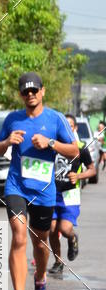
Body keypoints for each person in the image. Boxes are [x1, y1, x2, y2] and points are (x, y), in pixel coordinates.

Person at [0, 73, 77, 290]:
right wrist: (7, 142)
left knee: (40, 242)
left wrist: (50, 143)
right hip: (16, 186)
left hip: (43, 191)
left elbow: (74, 151)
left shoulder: (55, 119)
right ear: (21, 95)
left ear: (42, 91)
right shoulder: (13, 119)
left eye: (34, 90)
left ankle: (40, 278)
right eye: (25, 91)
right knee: (19, 235)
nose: (30, 94)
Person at [48, 114, 95, 278]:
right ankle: (58, 261)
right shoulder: (52, 145)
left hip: (70, 194)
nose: (66, 129)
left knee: (65, 228)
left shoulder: (80, 147)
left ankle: (72, 237)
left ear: (74, 128)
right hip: (52, 193)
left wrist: (79, 176)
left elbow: (92, 169)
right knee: (51, 229)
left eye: (70, 126)